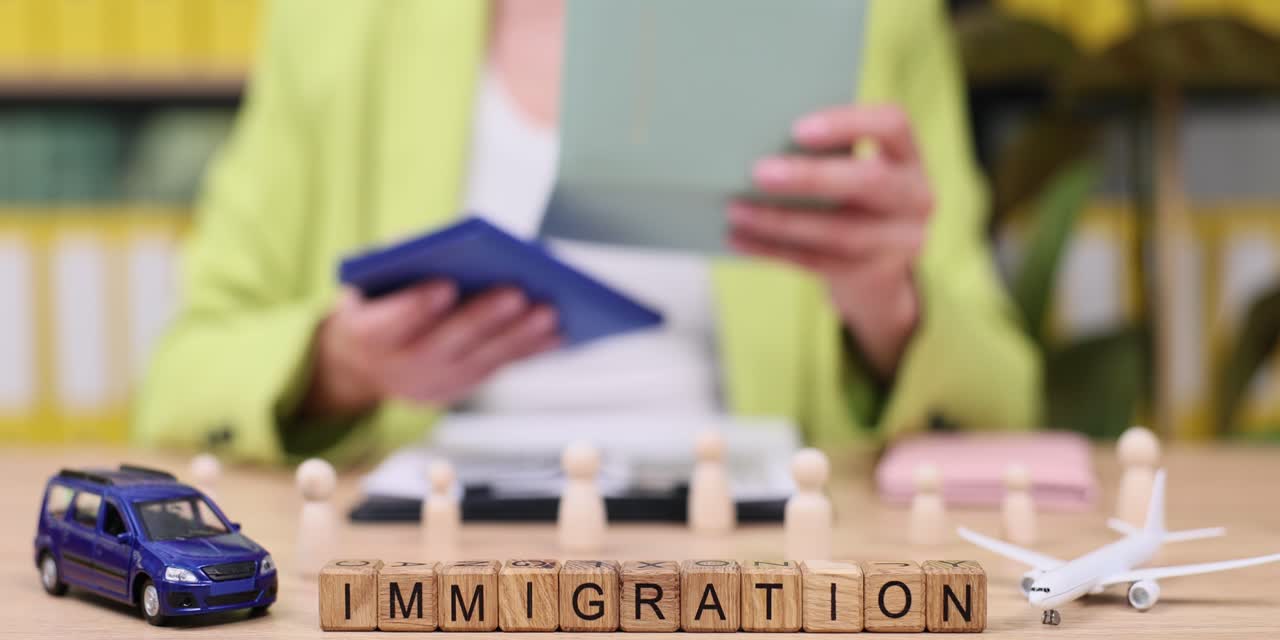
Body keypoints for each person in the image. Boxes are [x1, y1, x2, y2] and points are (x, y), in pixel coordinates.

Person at [135, 0, 1041, 466]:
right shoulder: (340, 22)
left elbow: (1004, 401)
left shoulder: (868, 18)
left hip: (757, 558)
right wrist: (339, 365)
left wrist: (886, 300)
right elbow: (183, 378)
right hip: (438, 559)